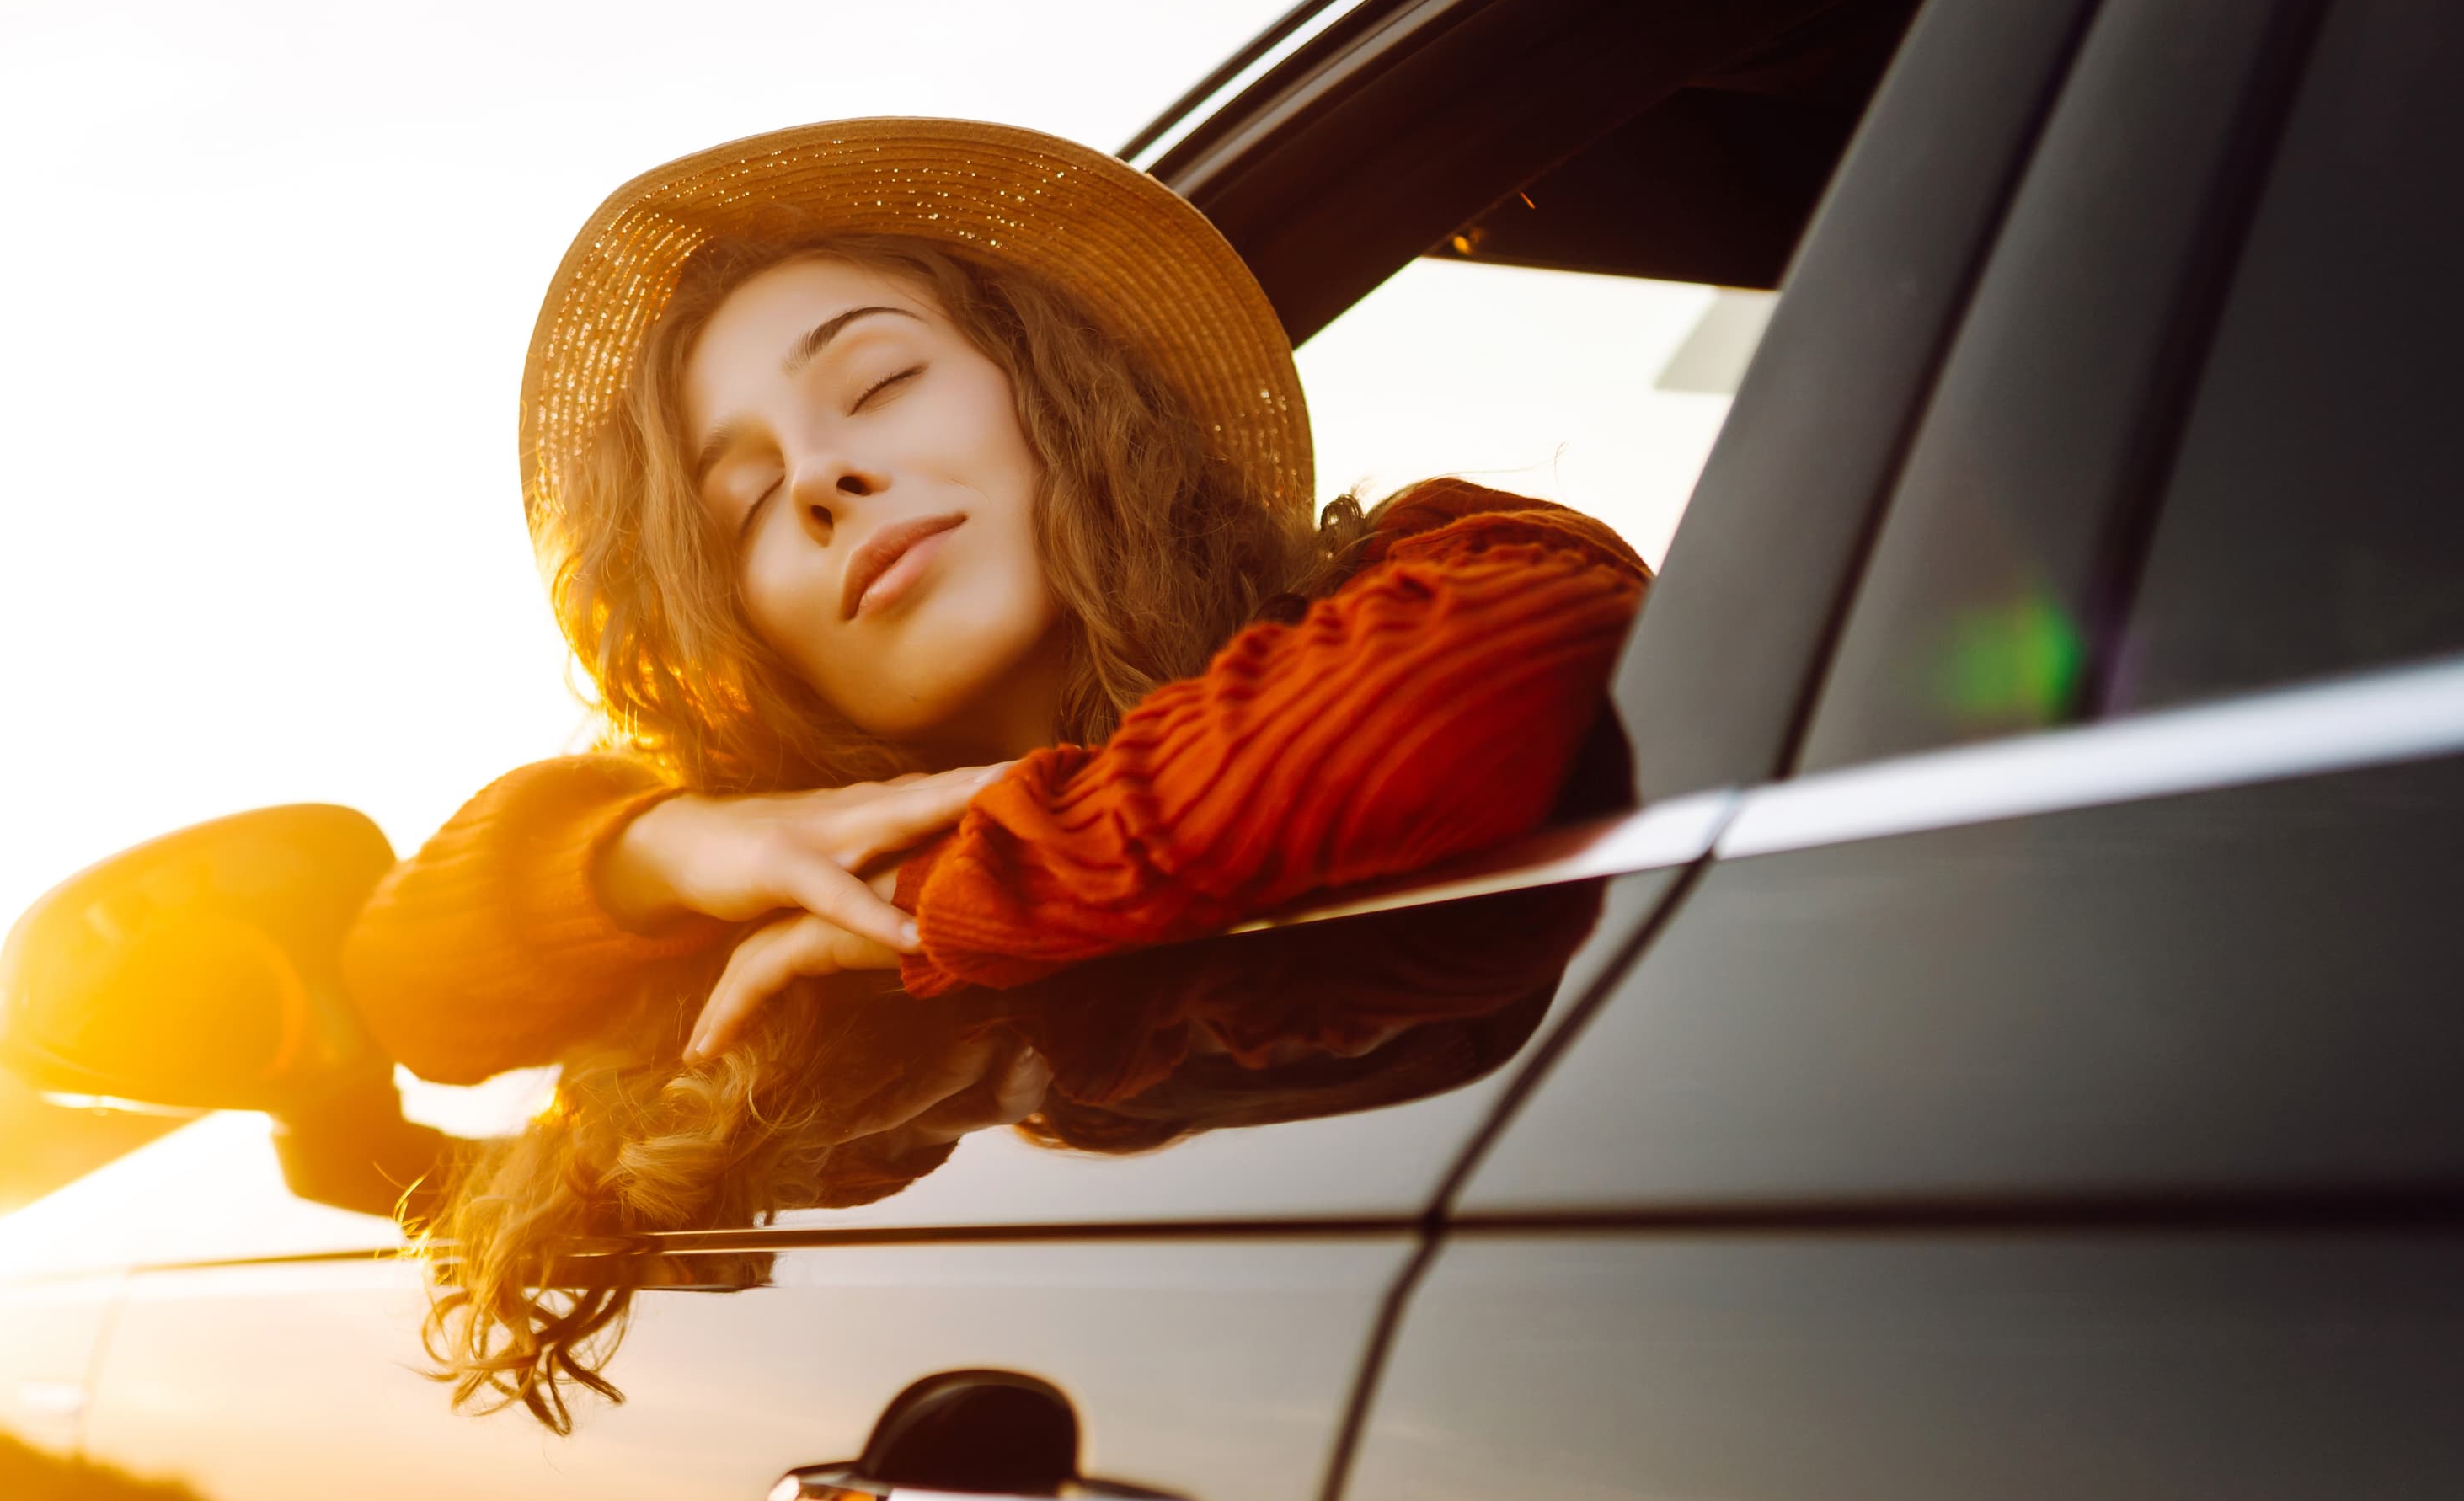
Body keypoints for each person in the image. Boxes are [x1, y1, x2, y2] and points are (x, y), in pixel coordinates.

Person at [339, 119, 1650, 1424]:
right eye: (743, 501)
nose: (823, 475)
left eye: (878, 384)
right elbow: (417, 986)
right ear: (745, 635)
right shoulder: (795, 950)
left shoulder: (1439, 574)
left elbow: (1452, 710)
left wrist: (940, 885)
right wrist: (680, 846)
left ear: (1057, 386)